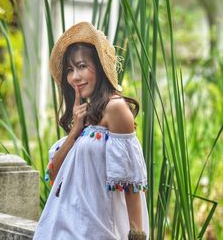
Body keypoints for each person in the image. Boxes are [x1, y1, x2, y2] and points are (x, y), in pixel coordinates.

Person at [33, 22, 149, 240]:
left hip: (97, 230)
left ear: (101, 67)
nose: (75, 77)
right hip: (62, 229)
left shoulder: (116, 109)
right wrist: (75, 130)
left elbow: (131, 184)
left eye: (82, 66)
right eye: (70, 69)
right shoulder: (84, 115)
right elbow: (54, 176)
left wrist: (136, 236)